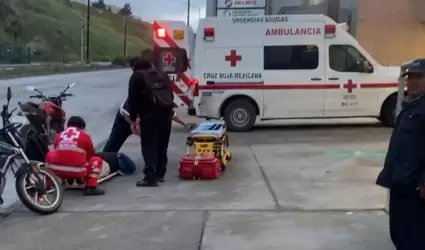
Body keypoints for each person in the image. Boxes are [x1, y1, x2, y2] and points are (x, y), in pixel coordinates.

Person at [376, 58, 425, 250]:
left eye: (418, 77)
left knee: (414, 236)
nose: (412, 81)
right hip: (399, 180)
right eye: (410, 77)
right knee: (398, 231)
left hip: (415, 186)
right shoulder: (409, 106)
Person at [128, 56, 174, 187]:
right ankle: (160, 173)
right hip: (166, 115)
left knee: (149, 146)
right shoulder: (161, 74)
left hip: (149, 116)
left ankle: (150, 177)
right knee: (162, 145)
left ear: (134, 67)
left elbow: (133, 99)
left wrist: (133, 120)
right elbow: (170, 95)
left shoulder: (137, 76)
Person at [45, 116, 105, 196]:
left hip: (58, 171)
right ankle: (91, 187)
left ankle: (48, 186)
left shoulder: (59, 135)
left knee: (50, 154)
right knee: (97, 160)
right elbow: (89, 155)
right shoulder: (85, 136)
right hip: (78, 171)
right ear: (82, 127)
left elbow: (57, 151)